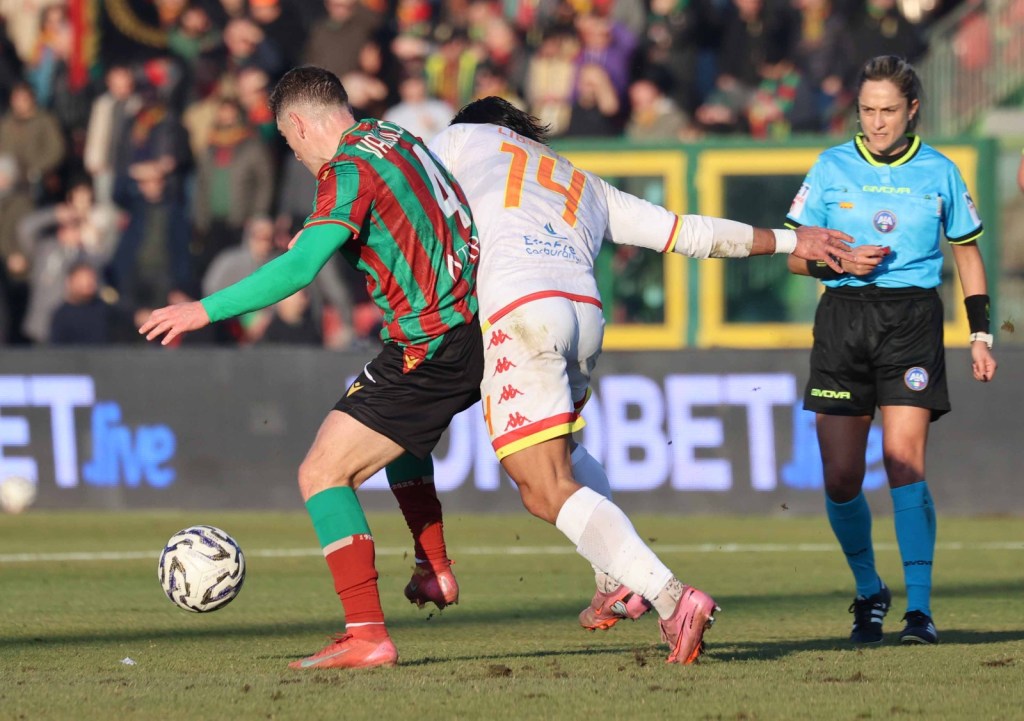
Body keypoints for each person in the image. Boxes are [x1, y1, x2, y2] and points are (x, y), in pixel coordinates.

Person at [427, 96, 855, 664]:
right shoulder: (580, 178)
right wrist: (788, 239)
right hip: (583, 312)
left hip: (522, 307)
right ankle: (613, 579)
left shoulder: (461, 140)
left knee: (541, 486)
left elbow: (408, 190)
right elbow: (686, 232)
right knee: (563, 454)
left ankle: (670, 596)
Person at [139, 65, 481, 670]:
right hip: (464, 327)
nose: (295, 157)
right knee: (398, 442)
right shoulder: (394, 138)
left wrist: (201, 310)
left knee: (321, 473)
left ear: (298, 123)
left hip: (431, 343)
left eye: (290, 142)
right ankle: (435, 569)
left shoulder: (346, 169)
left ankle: (367, 634)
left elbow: (299, 273)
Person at [784, 55, 998, 646]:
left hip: (911, 321)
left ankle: (920, 611)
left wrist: (980, 334)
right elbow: (797, 255)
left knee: (905, 463)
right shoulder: (830, 168)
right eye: (867, 110)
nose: (876, 123)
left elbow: (968, 254)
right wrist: (836, 259)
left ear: (912, 111)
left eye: (888, 111)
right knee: (842, 477)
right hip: (843, 319)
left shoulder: (939, 171)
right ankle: (868, 589)